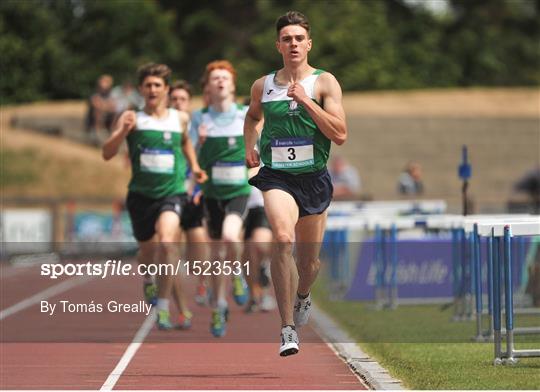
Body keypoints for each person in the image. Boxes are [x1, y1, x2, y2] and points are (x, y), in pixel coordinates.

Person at [244, 11, 347, 356]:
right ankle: (287, 328)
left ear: (309, 44)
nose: (293, 44)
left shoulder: (324, 82)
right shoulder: (263, 85)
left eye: (299, 38)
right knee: (283, 239)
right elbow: (252, 117)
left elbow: (340, 134)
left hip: (314, 179)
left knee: (309, 265)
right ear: (278, 45)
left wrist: (305, 101)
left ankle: (304, 295)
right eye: (287, 38)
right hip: (277, 177)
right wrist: (249, 145)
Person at [102, 63, 207, 330]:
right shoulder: (131, 117)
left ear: (166, 89)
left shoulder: (180, 119)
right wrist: (123, 131)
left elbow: (184, 141)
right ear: (140, 89)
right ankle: (148, 278)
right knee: (147, 252)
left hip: (172, 193)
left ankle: (161, 308)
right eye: (147, 85)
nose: (152, 89)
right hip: (140, 196)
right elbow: (107, 152)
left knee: (168, 244)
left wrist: (193, 165)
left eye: (157, 85)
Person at [192, 60, 251, 337]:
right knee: (216, 254)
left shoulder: (245, 114)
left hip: (238, 190)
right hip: (212, 194)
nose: (220, 81)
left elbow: (258, 150)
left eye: (225, 77)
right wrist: (200, 144)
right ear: (207, 87)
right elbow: (193, 160)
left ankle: (237, 273)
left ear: (233, 84)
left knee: (230, 238)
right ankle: (219, 305)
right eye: (214, 78)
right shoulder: (199, 118)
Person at [169, 80, 210, 308]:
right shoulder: (160, 125)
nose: (177, 103)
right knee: (169, 250)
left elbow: (206, 165)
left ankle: (202, 282)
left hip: (193, 195)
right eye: (173, 99)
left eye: (182, 99)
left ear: (188, 103)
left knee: (197, 258)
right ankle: (181, 309)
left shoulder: (199, 127)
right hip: (170, 195)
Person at [86, 74, 116, 144]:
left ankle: (111, 133)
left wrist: (104, 106)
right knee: (98, 112)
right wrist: (106, 106)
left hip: (107, 119)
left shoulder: (111, 96)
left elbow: (113, 107)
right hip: (94, 121)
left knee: (115, 113)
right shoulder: (95, 95)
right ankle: (97, 133)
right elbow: (97, 105)